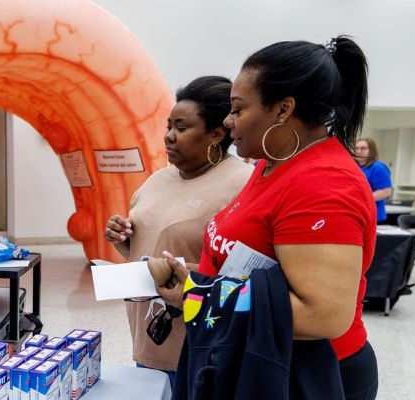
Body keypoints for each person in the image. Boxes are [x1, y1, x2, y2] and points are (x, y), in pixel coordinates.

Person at [151, 36, 378, 399]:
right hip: (258, 358)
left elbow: (323, 315)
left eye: (238, 110)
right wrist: (196, 279)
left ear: (283, 109)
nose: (228, 121)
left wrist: (199, 294)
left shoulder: (323, 184)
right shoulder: (272, 165)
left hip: (304, 375)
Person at [104, 76, 252, 388]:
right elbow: (146, 245)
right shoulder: (159, 179)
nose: (169, 137)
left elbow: (245, 272)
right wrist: (123, 236)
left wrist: (186, 277)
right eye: (168, 126)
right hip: (148, 332)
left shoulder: (242, 184)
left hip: (198, 344)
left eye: (182, 128)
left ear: (216, 133)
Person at [355, 138, 393, 223]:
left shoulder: (378, 168)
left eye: (363, 148)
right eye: (357, 148)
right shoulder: (356, 167)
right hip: (359, 214)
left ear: (371, 150)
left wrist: (360, 199)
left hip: (374, 216)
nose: (359, 151)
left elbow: (386, 192)